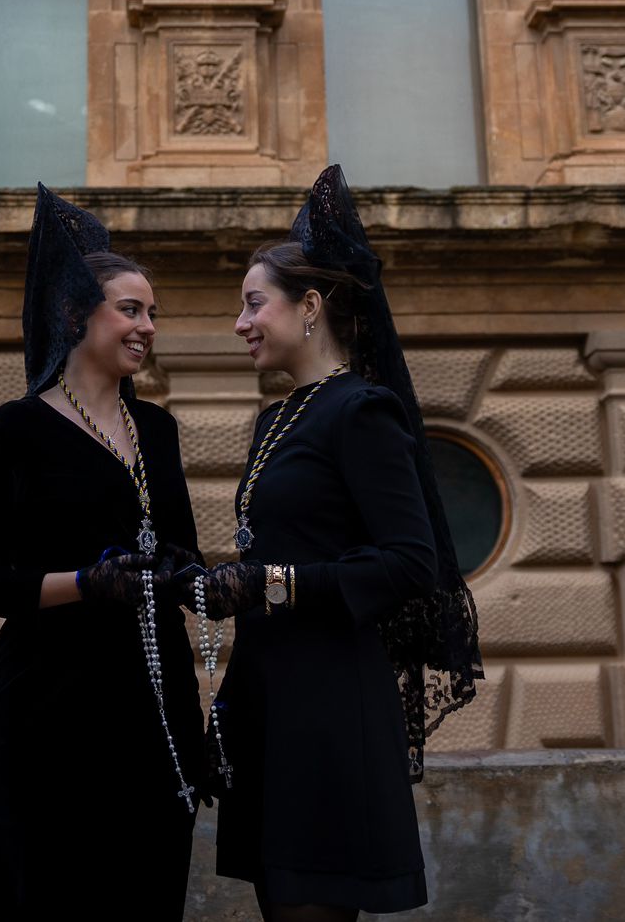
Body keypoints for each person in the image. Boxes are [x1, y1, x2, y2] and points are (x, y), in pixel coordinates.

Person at [181, 164, 484, 921]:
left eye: (254, 304)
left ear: (309, 305)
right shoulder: (274, 418)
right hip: (269, 702)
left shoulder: (361, 412)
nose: (241, 323)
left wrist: (271, 585)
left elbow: (411, 562)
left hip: (329, 706)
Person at [0, 185, 205, 920]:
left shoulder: (157, 430)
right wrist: (88, 585)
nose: (148, 326)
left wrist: (212, 580)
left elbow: (180, 554)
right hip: (43, 717)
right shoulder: (17, 429)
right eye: (131, 309)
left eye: (153, 312)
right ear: (74, 314)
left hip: (153, 712)